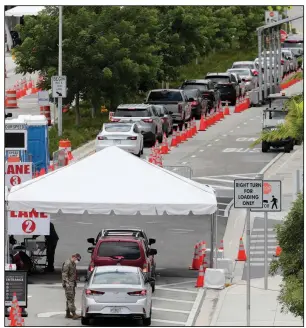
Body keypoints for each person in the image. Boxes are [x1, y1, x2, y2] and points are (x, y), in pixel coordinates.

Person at [62, 253, 82, 319]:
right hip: (69, 284)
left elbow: (73, 274)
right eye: (77, 259)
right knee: (71, 299)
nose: (77, 261)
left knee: (69, 298)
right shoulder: (68, 263)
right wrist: (67, 284)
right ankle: (74, 314)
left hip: (72, 283)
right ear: (73, 257)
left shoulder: (73, 263)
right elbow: (64, 275)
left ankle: (67, 313)